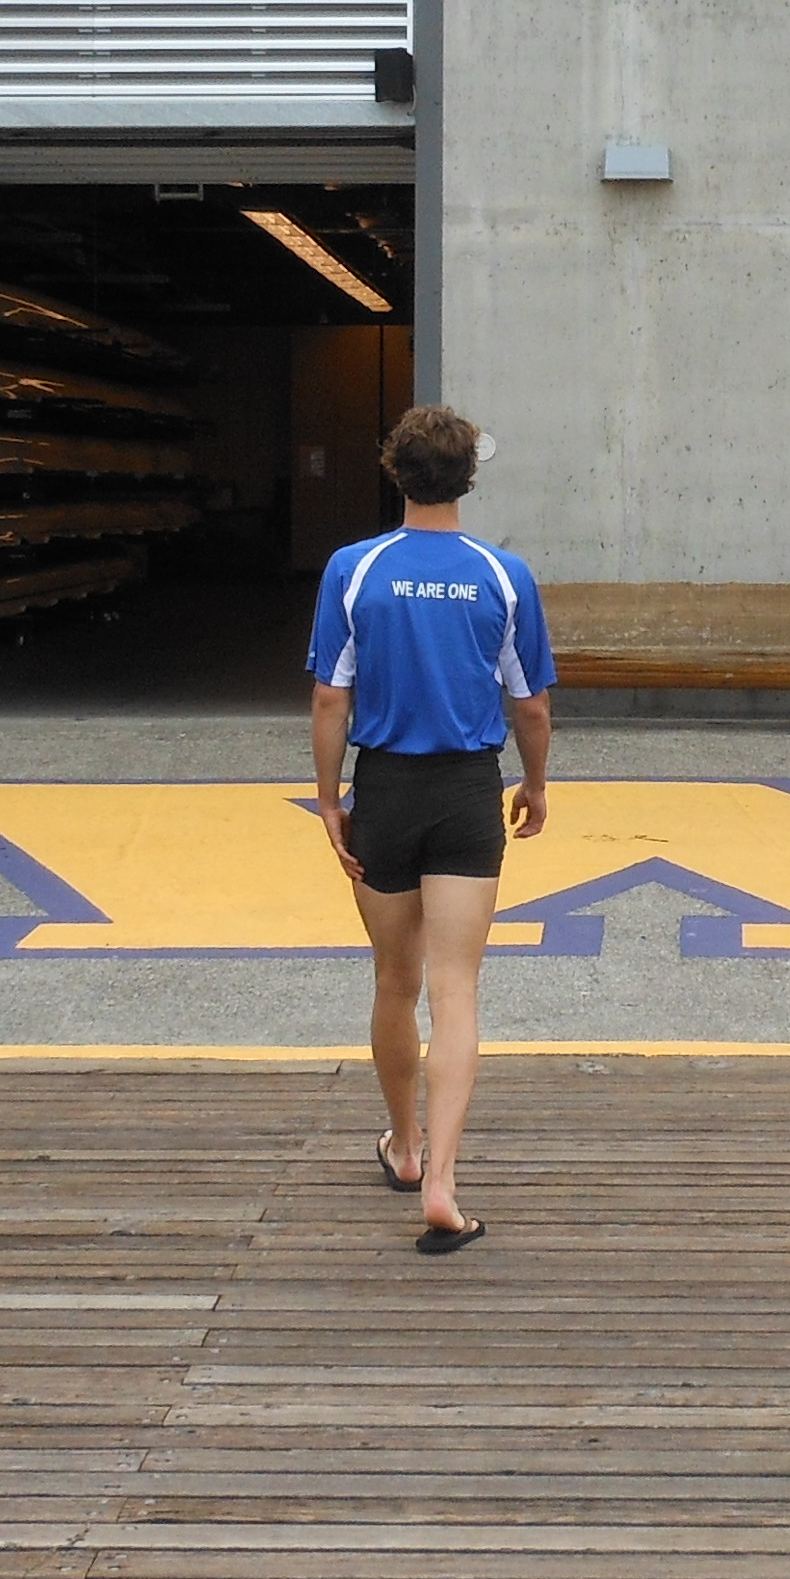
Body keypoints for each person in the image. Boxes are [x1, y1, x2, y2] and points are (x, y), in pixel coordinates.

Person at [309, 403, 553, 1254]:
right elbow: (529, 705)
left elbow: (331, 696)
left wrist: (330, 799)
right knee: (456, 991)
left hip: (385, 788)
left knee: (394, 982)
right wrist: (535, 784)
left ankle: (405, 1149)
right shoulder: (503, 573)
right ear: (468, 477)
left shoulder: (354, 568)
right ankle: (444, 1184)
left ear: (395, 471)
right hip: (465, 791)